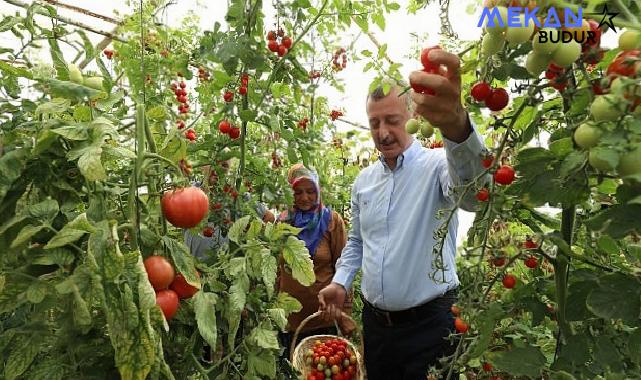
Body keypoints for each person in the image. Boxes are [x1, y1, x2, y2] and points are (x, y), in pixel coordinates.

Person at [318, 48, 487, 379]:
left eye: (392, 121)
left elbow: (474, 197)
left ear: (413, 117)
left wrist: (456, 127)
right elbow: (356, 242)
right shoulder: (364, 182)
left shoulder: (439, 166)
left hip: (431, 327)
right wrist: (341, 281)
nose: (382, 132)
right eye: (375, 122)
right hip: (377, 328)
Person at [276, 163, 355, 360]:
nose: (304, 198)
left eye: (311, 191)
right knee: (297, 367)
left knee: (326, 366)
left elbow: (344, 266)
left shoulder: (331, 221)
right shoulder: (283, 223)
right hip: (291, 318)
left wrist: (345, 311)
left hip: (325, 315)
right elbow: (278, 270)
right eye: (298, 191)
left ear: (318, 190)